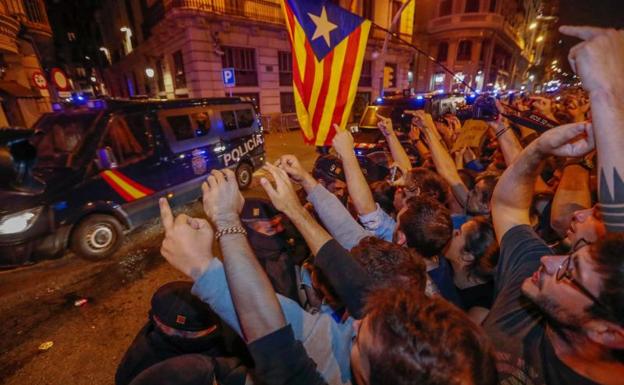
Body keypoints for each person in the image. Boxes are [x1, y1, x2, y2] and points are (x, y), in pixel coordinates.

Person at [485, 118, 624, 384]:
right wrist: (538, 150)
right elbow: (508, 209)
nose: (548, 260)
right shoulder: (532, 282)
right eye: (570, 257)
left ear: (607, 332)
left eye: (568, 273)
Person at [115, 281, 248, 385]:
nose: (175, 334)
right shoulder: (143, 363)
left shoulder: (137, 361)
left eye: (189, 333)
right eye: (172, 329)